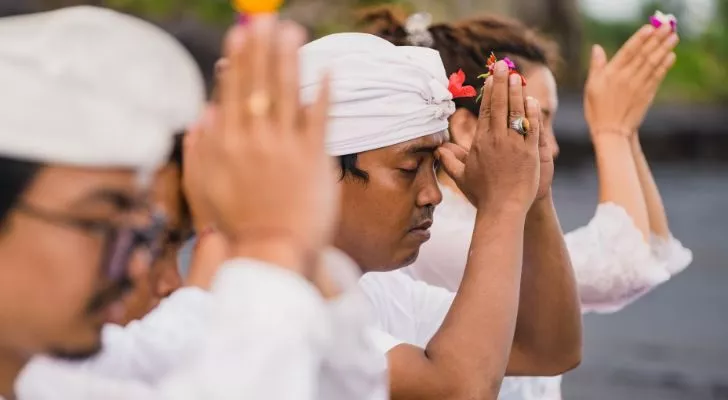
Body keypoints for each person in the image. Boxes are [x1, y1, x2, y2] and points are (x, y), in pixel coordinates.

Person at [4, 7, 383, 400]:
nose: (136, 267)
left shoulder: (42, 379)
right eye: (99, 222)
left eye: (138, 235)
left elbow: (174, 352)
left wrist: (294, 242)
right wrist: (271, 242)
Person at [359, 7, 693, 400]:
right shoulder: (436, 228)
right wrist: (610, 131)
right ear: (466, 127)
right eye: (534, 121)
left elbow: (557, 347)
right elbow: (622, 267)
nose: (548, 143)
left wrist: (625, 130)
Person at [296, 32, 581, 399]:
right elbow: (458, 389)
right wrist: (503, 206)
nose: (433, 194)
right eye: (410, 167)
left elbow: (547, 349)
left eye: (435, 166)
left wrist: (534, 197)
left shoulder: (379, 289)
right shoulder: (278, 302)